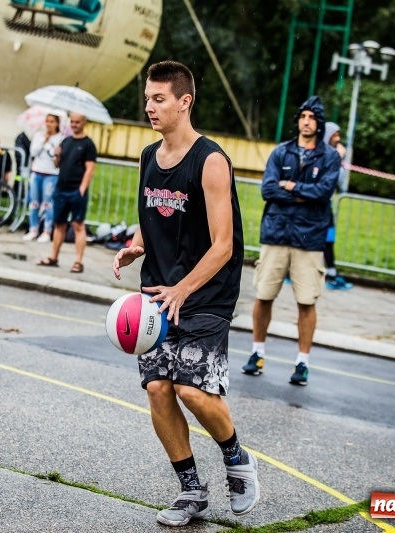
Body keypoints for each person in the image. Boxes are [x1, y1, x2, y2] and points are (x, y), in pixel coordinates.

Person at [112, 60, 259, 527]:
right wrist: (136, 247)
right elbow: (153, 217)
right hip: (158, 293)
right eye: (148, 98)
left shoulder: (211, 160)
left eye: (159, 98)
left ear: (184, 101)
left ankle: (236, 457)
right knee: (157, 388)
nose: (149, 106)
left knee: (192, 391)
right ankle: (191, 491)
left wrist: (183, 287)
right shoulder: (147, 157)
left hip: (205, 294)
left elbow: (224, 245)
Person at [241, 96, 340, 385]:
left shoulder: (330, 157)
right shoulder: (280, 153)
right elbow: (269, 190)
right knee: (263, 296)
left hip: (309, 239)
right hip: (276, 233)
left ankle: (302, 362)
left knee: (306, 302)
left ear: (319, 124)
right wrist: (301, 194)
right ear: (297, 120)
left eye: (312, 117)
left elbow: (323, 193)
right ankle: (257, 353)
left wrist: (292, 187)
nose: (306, 121)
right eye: (302, 116)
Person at [36, 113, 96, 273]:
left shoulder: (88, 144)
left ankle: (78, 261)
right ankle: (53, 257)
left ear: (84, 123)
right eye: (72, 122)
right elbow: (57, 165)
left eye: (77, 122)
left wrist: (82, 189)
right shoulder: (66, 141)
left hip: (76, 190)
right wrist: (57, 155)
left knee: (78, 224)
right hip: (61, 189)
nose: (74, 124)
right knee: (59, 224)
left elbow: (90, 169)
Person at [23, 113, 63, 243]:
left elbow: (57, 157)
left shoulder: (60, 138)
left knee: (48, 203)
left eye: (52, 122)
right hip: (37, 171)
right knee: (34, 202)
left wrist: (56, 152)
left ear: (57, 123)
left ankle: (46, 230)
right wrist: (43, 140)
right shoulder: (39, 135)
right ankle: (33, 229)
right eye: (47, 121)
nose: (49, 124)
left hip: (51, 173)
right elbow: (33, 152)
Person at [322, 122, 352, 291]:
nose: (338, 139)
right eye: (335, 135)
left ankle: (332, 274)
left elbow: (340, 182)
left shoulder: (333, 154)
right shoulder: (322, 154)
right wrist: (339, 159)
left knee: (328, 241)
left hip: (327, 205)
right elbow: (332, 179)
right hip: (318, 206)